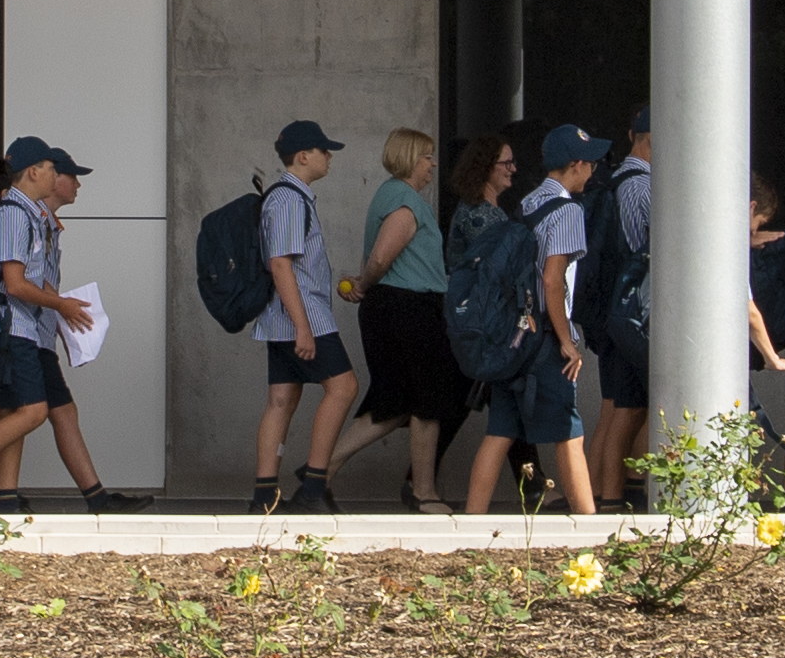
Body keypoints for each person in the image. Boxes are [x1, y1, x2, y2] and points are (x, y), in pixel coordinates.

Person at [0, 137, 133, 508]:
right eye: (54, 169)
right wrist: (60, 305)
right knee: (31, 411)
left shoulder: (32, 217)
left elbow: (37, 280)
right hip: (10, 328)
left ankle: (6, 498)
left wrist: (61, 311)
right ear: (34, 171)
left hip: (25, 329)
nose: (59, 178)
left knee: (15, 410)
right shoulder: (12, 214)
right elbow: (15, 284)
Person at [467, 126, 608, 517]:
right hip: (544, 337)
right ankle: (588, 523)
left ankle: (471, 522)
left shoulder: (527, 203)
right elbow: (552, 280)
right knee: (569, 432)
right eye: (591, 163)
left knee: (500, 432)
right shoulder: (567, 211)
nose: (592, 171)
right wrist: (566, 341)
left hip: (512, 336)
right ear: (576, 164)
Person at [349, 131, 471, 508]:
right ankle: (423, 492)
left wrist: (366, 285)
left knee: (394, 401)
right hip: (409, 308)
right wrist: (363, 284)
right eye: (427, 157)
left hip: (396, 307)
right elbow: (380, 258)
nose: (433, 164)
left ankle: (320, 471)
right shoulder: (405, 201)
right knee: (427, 402)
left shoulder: (389, 194)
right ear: (409, 158)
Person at [242, 119, 352, 513]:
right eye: (324, 150)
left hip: (282, 316)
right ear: (303, 156)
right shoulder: (289, 199)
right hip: (302, 315)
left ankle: (264, 497)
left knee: (281, 400)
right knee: (343, 388)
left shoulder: (288, 197)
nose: (329, 156)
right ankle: (313, 489)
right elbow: (281, 264)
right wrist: (303, 327)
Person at [585, 111, 661, 496]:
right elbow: (646, 251)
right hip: (632, 311)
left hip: (611, 309)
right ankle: (609, 495)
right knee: (625, 410)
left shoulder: (615, 180)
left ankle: (598, 494)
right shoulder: (643, 187)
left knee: (616, 408)